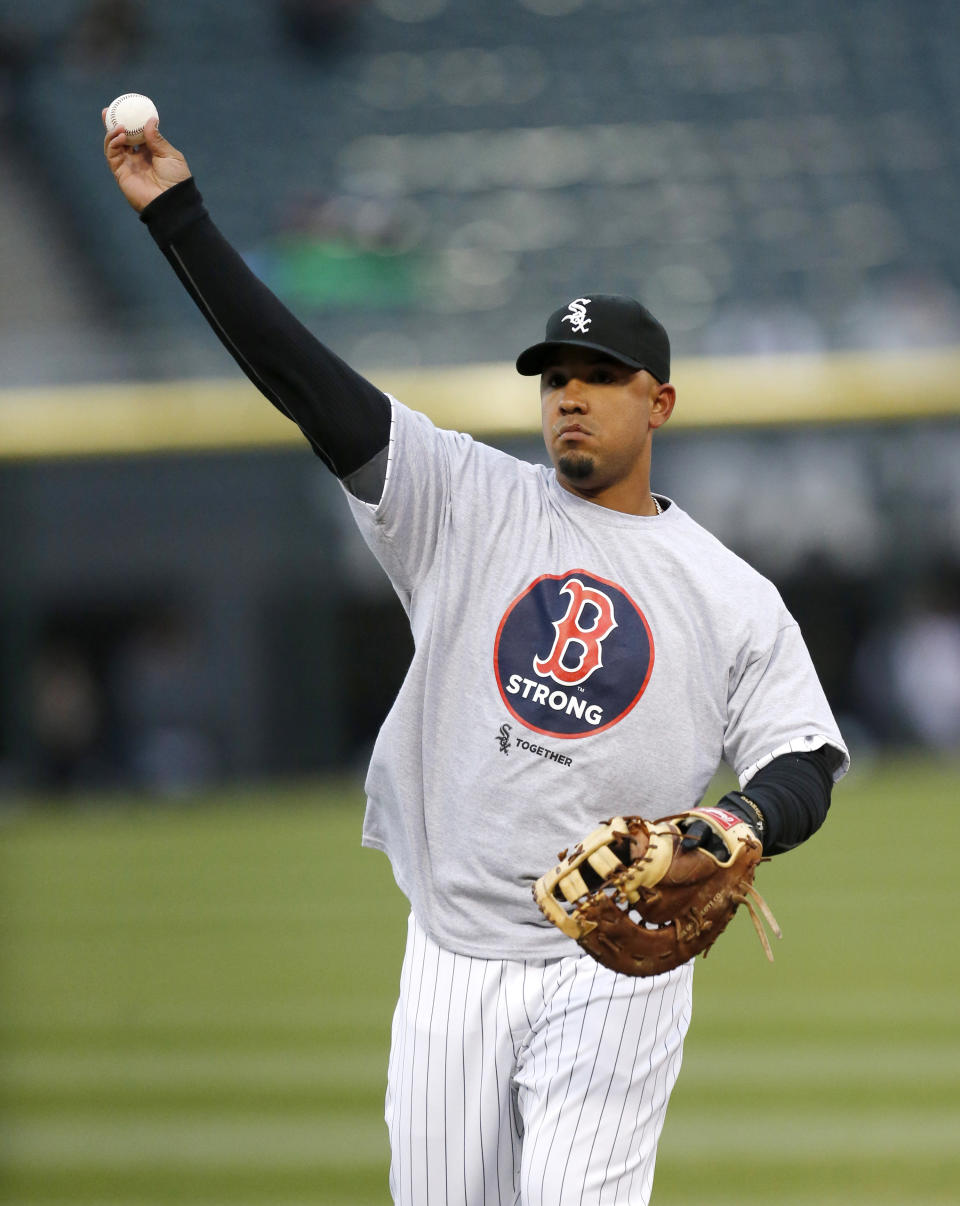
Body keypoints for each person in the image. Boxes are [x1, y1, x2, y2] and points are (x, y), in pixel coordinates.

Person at [103, 116, 849, 1206]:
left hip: (613, 961)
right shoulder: (462, 501)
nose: (572, 397)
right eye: (556, 379)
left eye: (602, 375)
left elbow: (806, 760)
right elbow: (304, 381)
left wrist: (731, 825)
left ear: (663, 403)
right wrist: (180, 216)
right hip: (451, 953)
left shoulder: (729, 591)